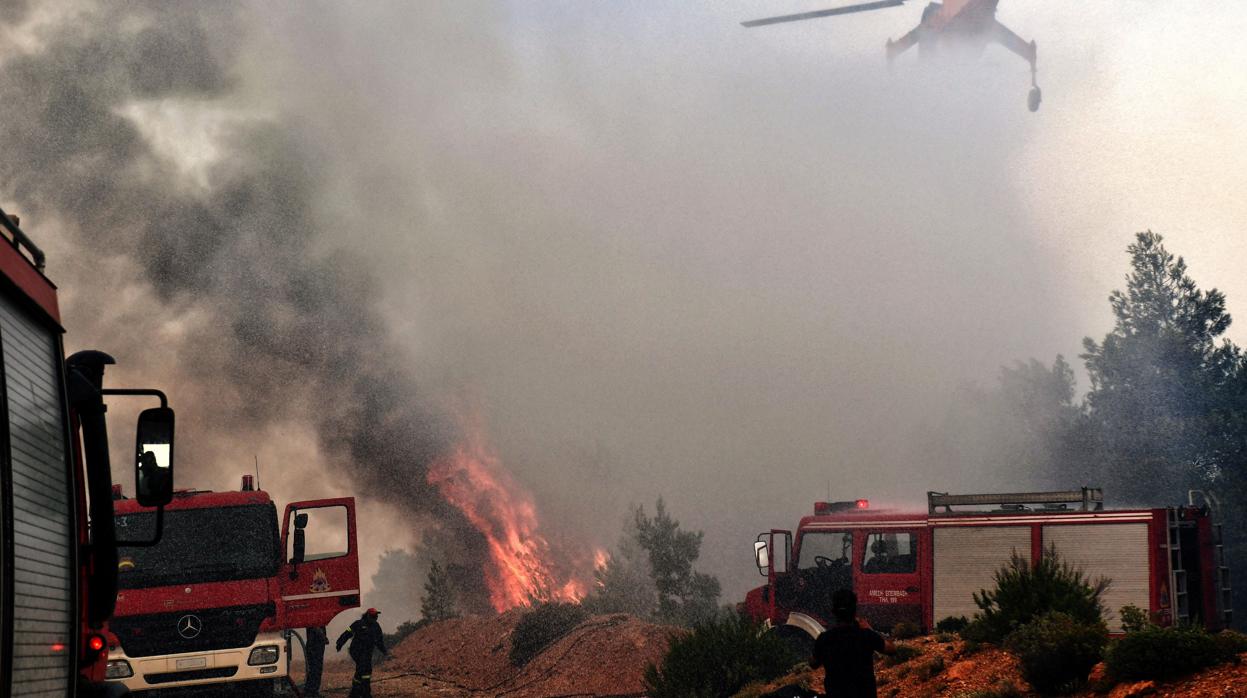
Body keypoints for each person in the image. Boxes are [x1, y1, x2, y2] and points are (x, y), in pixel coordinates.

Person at [809, 589, 895, 698]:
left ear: (834, 612)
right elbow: (891, 649)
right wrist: (870, 629)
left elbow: (813, 663)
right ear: (854, 611)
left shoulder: (825, 639)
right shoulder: (866, 636)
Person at [336, 608, 388, 698]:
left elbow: (379, 640)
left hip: (367, 652)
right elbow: (347, 633)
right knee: (365, 670)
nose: (375, 618)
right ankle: (365, 693)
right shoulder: (358, 624)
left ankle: (355, 692)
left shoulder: (376, 626)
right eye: (373, 616)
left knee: (362, 671)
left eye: (376, 616)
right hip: (356, 651)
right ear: (367, 616)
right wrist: (339, 643)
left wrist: (384, 651)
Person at [304, 626, 328, 697]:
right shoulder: (315, 620)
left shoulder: (317, 619)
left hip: (316, 646)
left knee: (315, 669)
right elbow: (315, 628)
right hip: (314, 646)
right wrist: (323, 637)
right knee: (315, 669)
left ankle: (311, 691)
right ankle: (311, 691)